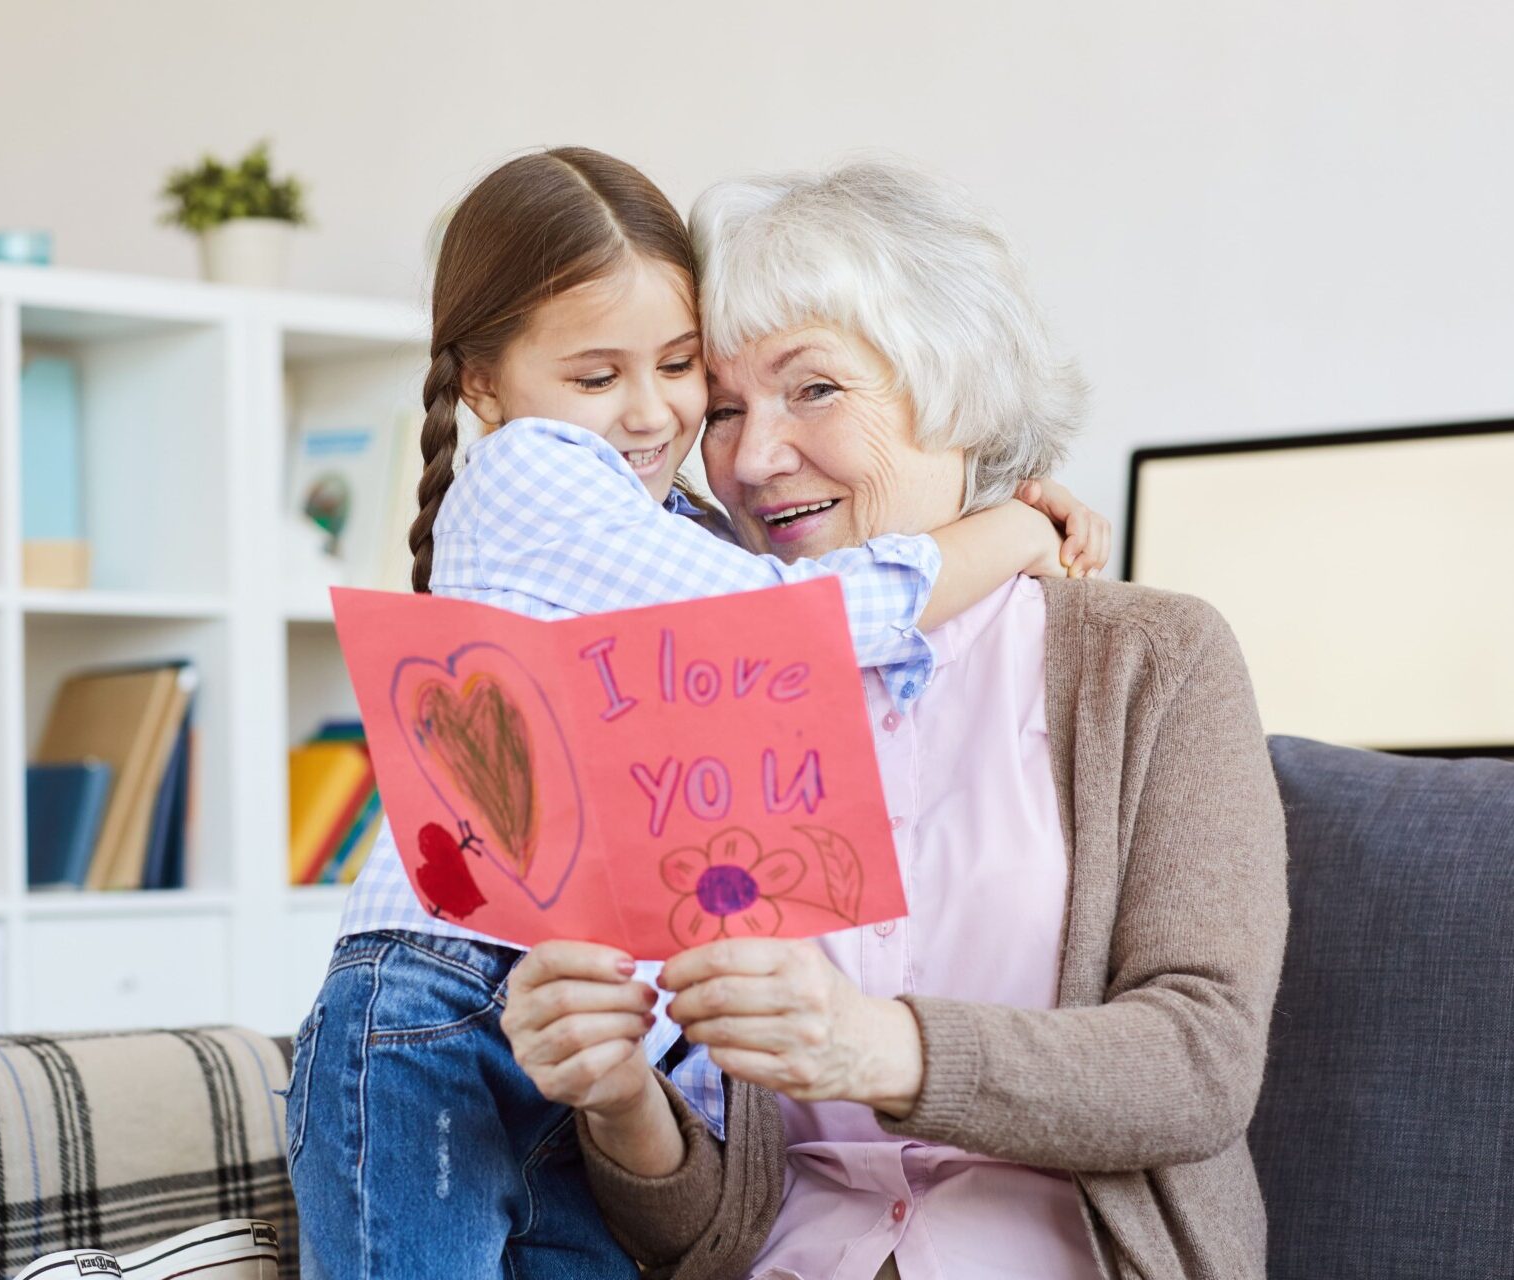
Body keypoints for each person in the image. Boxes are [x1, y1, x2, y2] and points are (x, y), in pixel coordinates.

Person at [287, 147, 1110, 1279]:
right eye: (595, 376)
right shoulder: (532, 472)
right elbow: (794, 622)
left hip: (582, 1025)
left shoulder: (665, 522)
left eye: (681, 369)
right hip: (443, 1001)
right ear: (483, 384)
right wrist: (1011, 529)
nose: (651, 411)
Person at [502, 160, 1289, 1279]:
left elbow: (1199, 1063)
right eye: (721, 409)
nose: (755, 456)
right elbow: (698, 1231)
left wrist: (876, 1043)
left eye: (812, 389)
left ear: (955, 382)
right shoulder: (699, 693)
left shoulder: (1146, 659)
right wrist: (620, 1092)